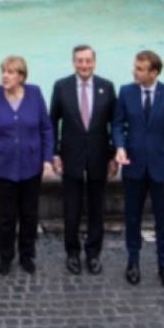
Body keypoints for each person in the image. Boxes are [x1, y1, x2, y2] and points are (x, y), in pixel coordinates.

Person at [113, 50, 164, 291]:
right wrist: (120, 147)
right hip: (133, 166)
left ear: (153, 72)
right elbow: (117, 125)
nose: (134, 72)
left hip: (162, 169)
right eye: (135, 67)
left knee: (163, 221)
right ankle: (133, 261)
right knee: (131, 217)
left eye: (140, 69)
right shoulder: (125, 92)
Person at [0, 56, 55, 274]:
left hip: (31, 166)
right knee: (6, 216)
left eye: (11, 72)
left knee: (30, 215)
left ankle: (27, 254)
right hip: (3, 166)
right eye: (4, 71)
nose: (5, 76)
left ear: (21, 76)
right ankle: (5, 256)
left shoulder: (35, 93)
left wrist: (47, 159)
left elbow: (47, 129)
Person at [49, 44, 117, 275]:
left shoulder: (107, 87)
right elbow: (52, 123)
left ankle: (93, 253)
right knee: (72, 208)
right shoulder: (61, 86)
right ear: (73, 62)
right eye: (80, 60)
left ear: (94, 62)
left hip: (99, 156)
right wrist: (54, 153)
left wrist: (114, 155)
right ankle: (72, 252)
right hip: (70, 157)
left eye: (88, 61)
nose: (84, 65)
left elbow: (114, 124)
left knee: (97, 209)